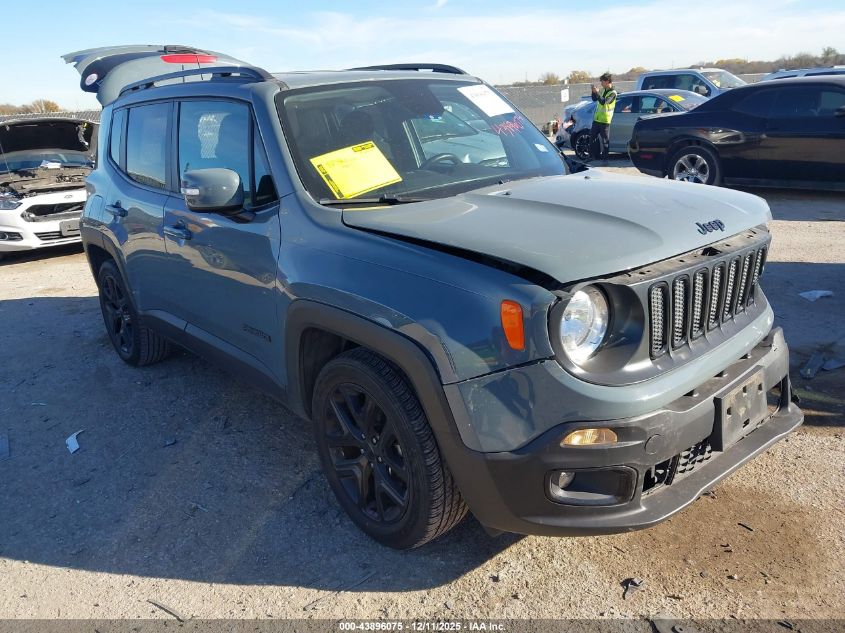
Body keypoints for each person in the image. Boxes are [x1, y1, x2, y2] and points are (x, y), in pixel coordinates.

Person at [589, 72, 618, 165]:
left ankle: (605, 159)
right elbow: (595, 99)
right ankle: (592, 156)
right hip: (597, 119)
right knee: (592, 138)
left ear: (607, 81)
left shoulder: (613, 93)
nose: (601, 83)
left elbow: (603, 102)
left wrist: (597, 93)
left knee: (605, 141)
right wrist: (594, 92)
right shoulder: (602, 90)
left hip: (605, 121)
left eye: (602, 81)